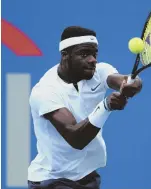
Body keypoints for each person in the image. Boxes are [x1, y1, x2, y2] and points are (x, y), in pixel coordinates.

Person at [28, 26, 142, 189]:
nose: (92, 60)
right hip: (52, 180)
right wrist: (106, 106)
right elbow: (76, 138)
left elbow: (125, 80)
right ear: (65, 56)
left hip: (87, 176)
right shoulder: (46, 91)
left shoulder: (99, 71)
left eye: (94, 54)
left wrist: (132, 84)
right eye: (84, 54)